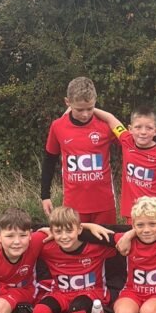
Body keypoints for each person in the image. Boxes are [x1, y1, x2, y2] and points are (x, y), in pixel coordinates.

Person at [41, 76, 117, 225]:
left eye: (90, 108)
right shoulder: (58, 126)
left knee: (106, 240)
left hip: (104, 205)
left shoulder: (106, 125)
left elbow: (133, 142)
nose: (85, 114)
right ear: (67, 102)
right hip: (73, 207)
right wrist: (45, 196)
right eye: (79, 109)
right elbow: (49, 160)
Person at [92, 105, 156, 220]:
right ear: (130, 129)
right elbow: (110, 118)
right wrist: (88, 107)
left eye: (149, 128)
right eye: (138, 127)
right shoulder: (126, 140)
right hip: (133, 212)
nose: (143, 132)